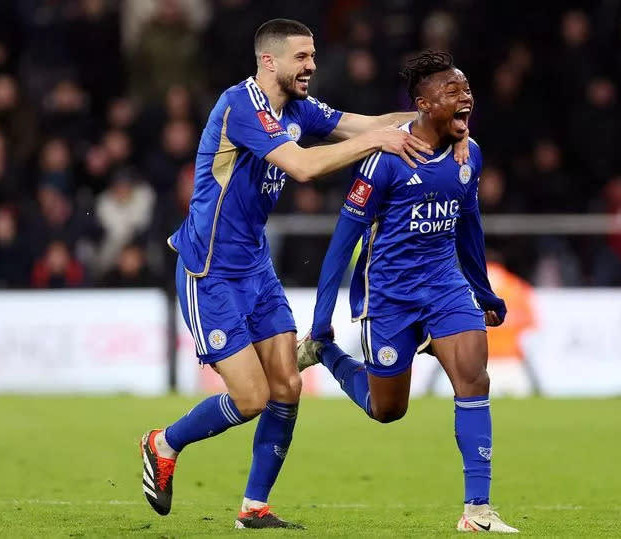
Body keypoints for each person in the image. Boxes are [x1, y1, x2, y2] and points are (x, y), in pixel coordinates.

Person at [140, 19, 470, 530]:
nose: (312, 65)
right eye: (302, 57)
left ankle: (254, 508)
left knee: (287, 386)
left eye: (313, 56)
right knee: (251, 398)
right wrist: (381, 142)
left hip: (254, 264)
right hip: (209, 271)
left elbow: (369, 123)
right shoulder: (241, 105)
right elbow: (303, 166)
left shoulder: (297, 108)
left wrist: (439, 115)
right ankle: (163, 443)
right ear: (269, 60)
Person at [297, 52, 518, 533]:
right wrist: (320, 319)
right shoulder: (384, 162)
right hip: (390, 297)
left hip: (445, 287)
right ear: (423, 104)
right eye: (453, 93)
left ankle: (477, 511)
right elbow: (343, 242)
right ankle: (326, 353)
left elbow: (469, 227)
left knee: (474, 379)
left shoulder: (469, 155)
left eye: (467, 90)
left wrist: (484, 292)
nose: (466, 99)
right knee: (387, 409)